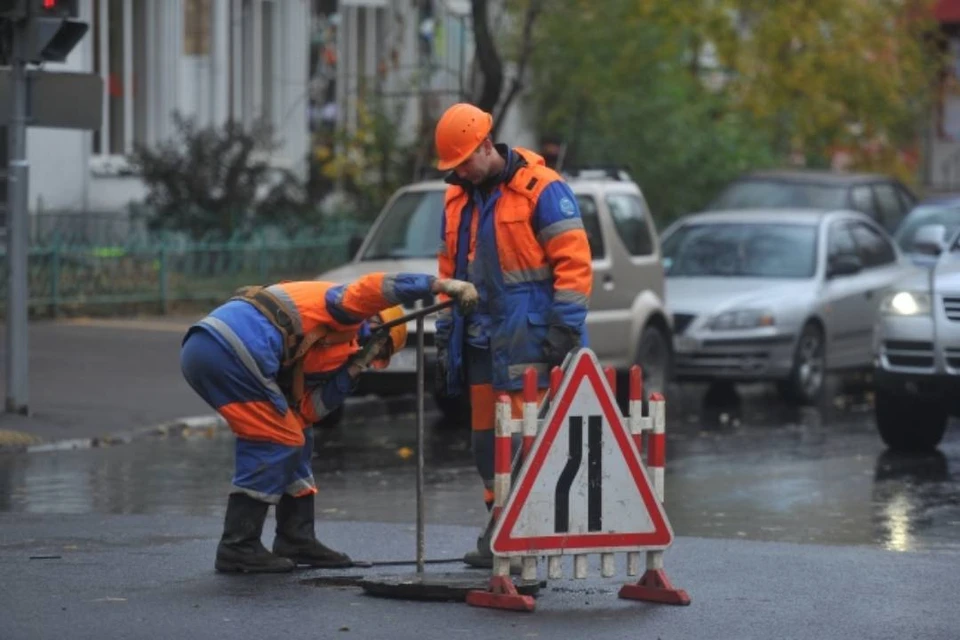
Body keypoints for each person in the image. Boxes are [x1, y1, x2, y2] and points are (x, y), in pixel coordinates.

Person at [180, 272, 478, 574]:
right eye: (381, 348)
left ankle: (296, 538)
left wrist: (354, 369)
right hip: (228, 347)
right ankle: (238, 546)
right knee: (278, 440)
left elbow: (309, 410)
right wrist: (437, 285)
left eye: (381, 355)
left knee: (298, 435)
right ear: (376, 324)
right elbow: (373, 288)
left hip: (213, 350)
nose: (375, 357)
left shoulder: (337, 346)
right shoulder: (345, 308)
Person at [432, 103, 593, 568]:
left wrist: (565, 328)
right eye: (454, 166)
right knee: (487, 442)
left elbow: (574, 265)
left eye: (465, 161)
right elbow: (448, 271)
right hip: (479, 339)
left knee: (527, 440)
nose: (460, 172)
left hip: (530, 339)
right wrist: (445, 336)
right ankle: (499, 529)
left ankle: (523, 536)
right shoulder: (457, 197)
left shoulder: (542, 190)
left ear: (486, 146)